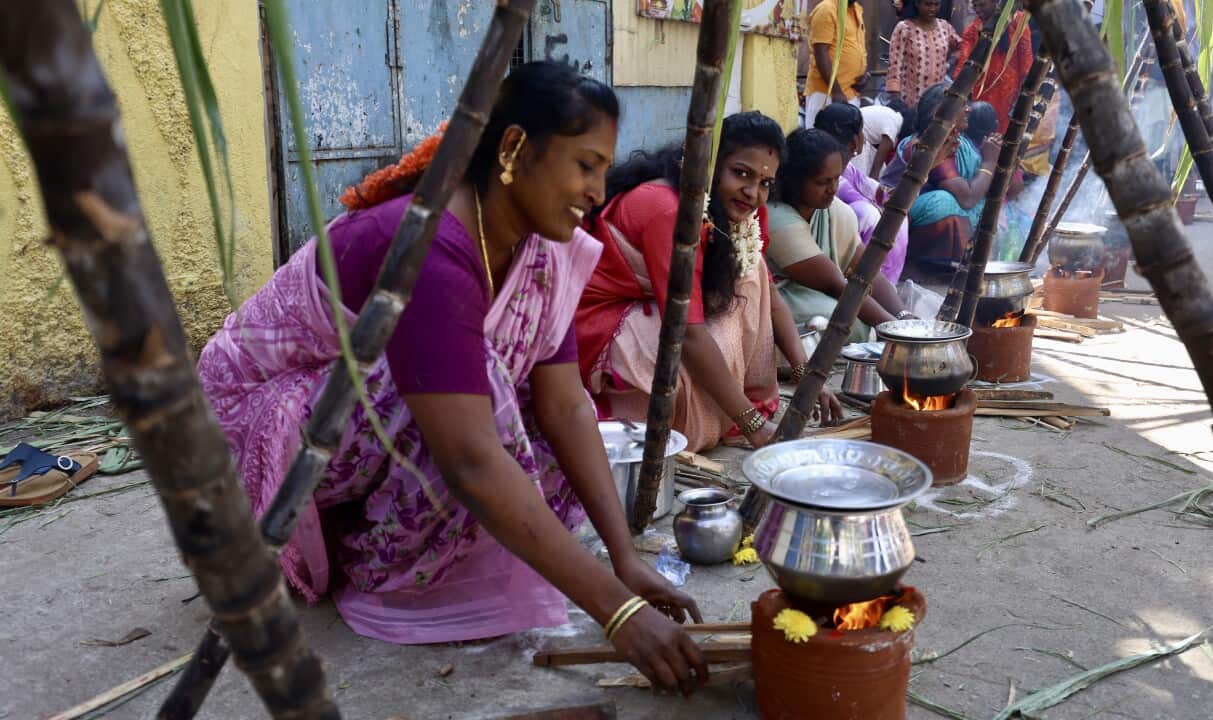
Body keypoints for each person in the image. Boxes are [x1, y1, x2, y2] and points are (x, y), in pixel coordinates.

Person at [198, 62, 709, 695]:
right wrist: (619, 614)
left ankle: (386, 544)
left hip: (349, 416)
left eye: (604, 169)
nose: (598, 190)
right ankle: (373, 563)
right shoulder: (430, 244)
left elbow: (567, 406)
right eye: (584, 165)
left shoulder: (540, 247)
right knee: (482, 395)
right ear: (516, 148)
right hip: (260, 422)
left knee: (536, 426)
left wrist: (625, 559)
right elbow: (468, 457)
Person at [576, 112, 843, 453]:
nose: (752, 192)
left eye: (765, 183)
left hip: (661, 310)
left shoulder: (745, 209)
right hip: (602, 321)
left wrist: (807, 374)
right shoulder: (672, 212)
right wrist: (754, 428)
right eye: (741, 173)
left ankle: (738, 402)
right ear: (709, 163)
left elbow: (769, 292)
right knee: (689, 377)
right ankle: (710, 413)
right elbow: (688, 333)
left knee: (751, 274)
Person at [765, 128, 911, 339]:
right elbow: (835, 284)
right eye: (822, 182)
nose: (833, 189)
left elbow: (864, 271)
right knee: (849, 322)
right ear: (795, 180)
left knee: (856, 319)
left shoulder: (836, 212)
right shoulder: (775, 217)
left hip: (823, 294)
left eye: (836, 179)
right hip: (778, 299)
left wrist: (903, 316)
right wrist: (896, 330)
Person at [886, 85, 1001, 276]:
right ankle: (932, 272)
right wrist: (989, 162)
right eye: (962, 104)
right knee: (943, 203)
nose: (968, 109)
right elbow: (967, 198)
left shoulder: (960, 142)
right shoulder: (927, 144)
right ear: (940, 112)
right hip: (894, 210)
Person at [812, 102, 910, 283]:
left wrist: (889, 194)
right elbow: (855, 196)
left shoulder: (847, 167)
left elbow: (872, 188)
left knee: (897, 213)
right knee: (868, 214)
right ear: (855, 141)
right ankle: (866, 282)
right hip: (828, 238)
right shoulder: (833, 172)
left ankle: (887, 283)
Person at [955, 0, 1033, 134]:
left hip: (1009, 94)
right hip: (981, 92)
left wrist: (1024, 94)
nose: (978, 10)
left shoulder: (1018, 21)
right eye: (975, 6)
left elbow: (1026, 60)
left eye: (982, 4)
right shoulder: (973, 30)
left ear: (996, 3)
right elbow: (963, 62)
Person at [803, 0, 868, 128]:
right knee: (822, 143)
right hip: (827, 94)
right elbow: (821, 53)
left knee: (845, 145)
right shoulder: (827, 9)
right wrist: (836, 91)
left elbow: (857, 49)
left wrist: (864, 74)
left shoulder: (857, 9)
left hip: (850, 93)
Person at [886, 0, 962, 107]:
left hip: (937, 103)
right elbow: (894, 66)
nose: (932, 9)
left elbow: (961, 47)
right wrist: (897, 102)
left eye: (936, 4)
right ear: (917, 4)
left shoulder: (945, 27)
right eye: (928, 4)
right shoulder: (904, 28)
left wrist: (948, 64)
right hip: (910, 102)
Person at [850, 99, 907, 177]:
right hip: (855, 135)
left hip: (860, 135)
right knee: (859, 177)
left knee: (882, 172)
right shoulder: (895, 124)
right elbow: (876, 169)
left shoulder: (893, 116)